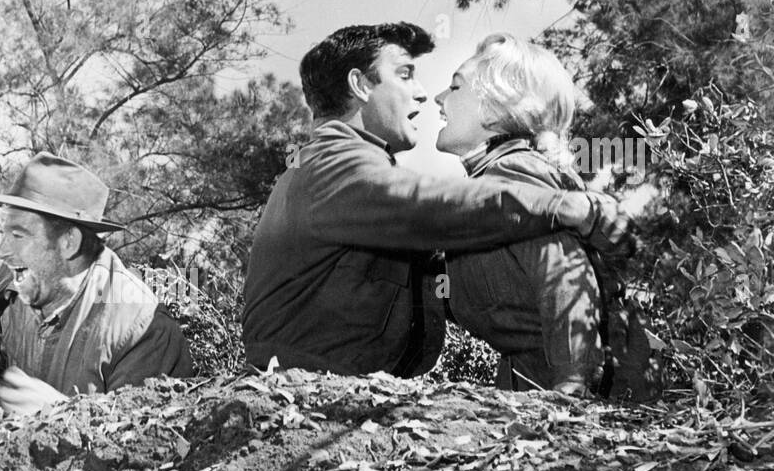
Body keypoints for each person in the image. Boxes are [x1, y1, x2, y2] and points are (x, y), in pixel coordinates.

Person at [241, 22, 635, 379]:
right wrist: (561, 206)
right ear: (361, 86)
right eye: (405, 74)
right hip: (312, 391)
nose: (426, 93)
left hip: (327, 387)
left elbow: (534, 274)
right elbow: (424, 205)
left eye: (453, 85)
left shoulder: (346, 174)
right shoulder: (334, 160)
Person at [0, 153, 193, 414]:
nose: (1, 251)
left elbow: (145, 438)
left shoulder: (141, 327)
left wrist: (60, 411)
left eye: (18, 235)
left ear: (69, 243)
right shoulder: (17, 284)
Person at [434, 34, 602, 393]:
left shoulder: (515, 174)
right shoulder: (492, 180)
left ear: (495, 107)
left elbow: (565, 277)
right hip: (528, 378)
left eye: (454, 87)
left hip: (593, 397)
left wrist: (571, 381)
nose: (438, 98)